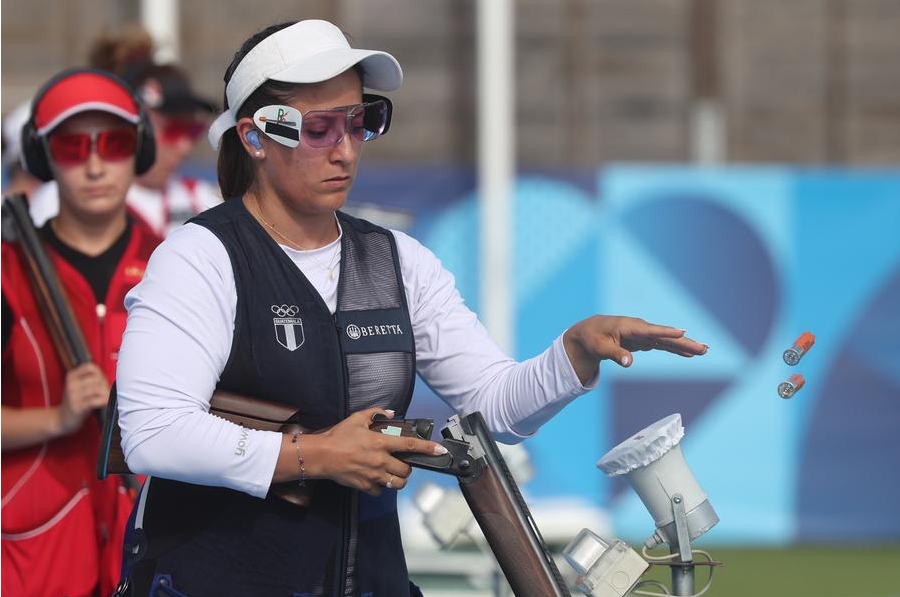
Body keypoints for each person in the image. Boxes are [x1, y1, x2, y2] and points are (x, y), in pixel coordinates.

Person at [114, 19, 708, 597]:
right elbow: (152, 433)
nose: (345, 149)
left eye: (360, 120)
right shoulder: (200, 256)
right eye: (320, 127)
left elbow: (493, 407)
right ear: (254, 137)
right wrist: (316, 455)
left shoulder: (398, 259)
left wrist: (573, 354)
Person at [1, 67, 162, 597]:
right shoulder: (6, 269)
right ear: (43, 156)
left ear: (137, 151)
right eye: (73, 147)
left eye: (113, 143)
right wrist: (58, 417)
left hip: (150, 536)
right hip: (33, 551)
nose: (95, 165)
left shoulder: (178, 264)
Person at [28, 24, 222, 238]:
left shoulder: (204, 199)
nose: (185, 146)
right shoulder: (61, 200)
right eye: (173, 130)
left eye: (193, 130)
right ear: (141, 131)